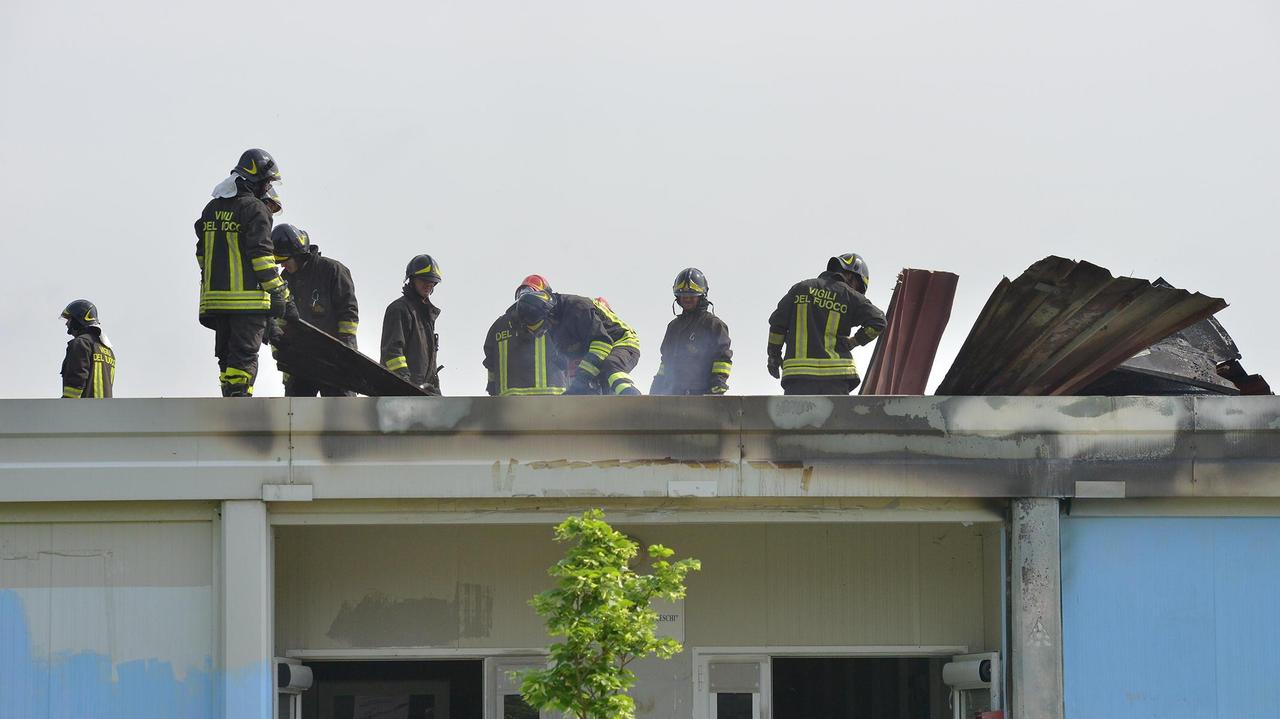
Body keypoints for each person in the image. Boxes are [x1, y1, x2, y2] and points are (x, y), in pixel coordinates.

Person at [195, 148, 295, 396]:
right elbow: (262, 258)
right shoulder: (255, 209)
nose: (267, 187)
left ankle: (230, 397)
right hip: (247, 302)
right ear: (256, 178)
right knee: (244, 356)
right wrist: (280, 293)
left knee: (227, 358)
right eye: (267, 181)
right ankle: (240, 404)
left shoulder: (211, 208)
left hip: (215, 301)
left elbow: (201, 255)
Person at [766, 252, 886, 395]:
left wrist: (774, 356)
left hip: (798, 378)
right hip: (836, 378)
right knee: (836, 417)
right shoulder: (850, 296)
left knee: (797, 417)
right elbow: (878, 321)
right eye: (858, 287)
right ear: (851, 276)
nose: (856, 291)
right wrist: (854, 341)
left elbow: (777, 326)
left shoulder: (800, 289)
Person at [271, 224, 360, 396]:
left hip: (334, 360)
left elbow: (348, 313)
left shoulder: (332, 270)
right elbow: (280, 319)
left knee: (341, 416)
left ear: (298, 255)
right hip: (301, 363)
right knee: (296, 417)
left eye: (285, 260)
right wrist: (282, 352)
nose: (283, 266)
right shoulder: (285, 279)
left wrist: (346, 352)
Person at [513, 289, 642, 395]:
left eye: (545, 325)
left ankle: (632, 398)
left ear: (549, 312)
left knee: (611, 367)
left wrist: (582, 378)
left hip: (621, 341)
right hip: (596, 348)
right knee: (590, 388)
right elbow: (569, 356)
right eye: (542, 330)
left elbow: (602, 342)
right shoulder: (553, 324)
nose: (547, 329)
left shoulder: (578, 308)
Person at [650, 268, 732, 395]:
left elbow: (722, 358)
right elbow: (665, 361)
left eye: (692, 295)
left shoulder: (713, 325)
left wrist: (718, 382)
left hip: (702, 395)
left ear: (701, 296)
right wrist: (657, 384)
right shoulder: (673, 327)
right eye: (683, 295)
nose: (687, 299)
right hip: (672, 395)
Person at [483, 277, 569, 396]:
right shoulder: (553, 322)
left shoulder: (498, 326)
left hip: (510, 404)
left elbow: (490, 366)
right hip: (552, 402)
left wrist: (493, 391)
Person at [381, 254, 443, 394]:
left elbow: (428, 363)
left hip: (423, 392)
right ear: (412, 279)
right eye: (424, 280)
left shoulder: (425, 315)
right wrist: (406, 385)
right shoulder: (399, 309)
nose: (428, 285)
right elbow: (392, 354)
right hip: (401, 391)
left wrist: (434, 390)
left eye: (432, 281)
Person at [59, 299, 115, 398]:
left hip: (83, 410)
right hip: (105, 411)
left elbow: (76, 379)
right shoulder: (107, 350)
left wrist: (66, 405)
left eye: (69, 319)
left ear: (78, 320)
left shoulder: (80, 344)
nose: (66, 324)